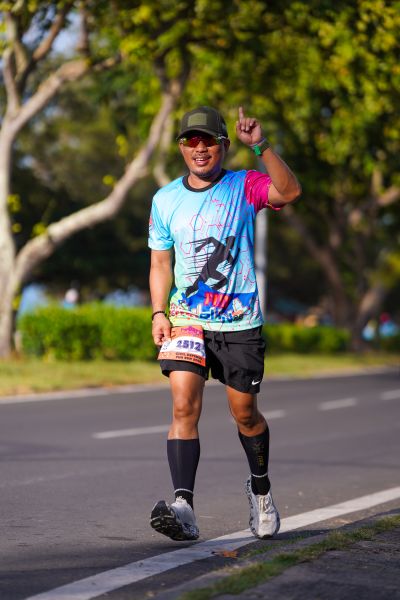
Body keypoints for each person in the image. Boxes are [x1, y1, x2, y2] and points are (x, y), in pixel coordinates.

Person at [148, 106, 301, 541]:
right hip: (187, 320)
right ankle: (184, 506)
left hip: (239, 321)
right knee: (183, 407)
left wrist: (261, 146)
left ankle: (261, 490)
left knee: (245, 414)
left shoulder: (244, 185)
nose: (199, 149)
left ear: (224, 146)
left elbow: (289, 192)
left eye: (208, 141)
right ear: (181, 147)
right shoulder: (165, 199)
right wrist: (159, 311)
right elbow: (160, 262)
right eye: (190, 141)